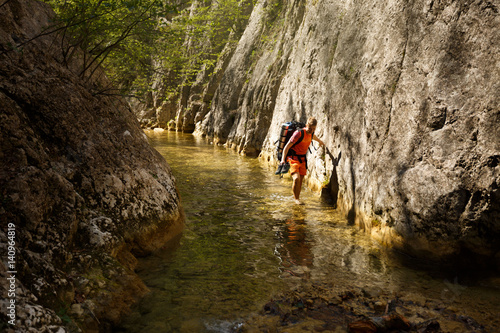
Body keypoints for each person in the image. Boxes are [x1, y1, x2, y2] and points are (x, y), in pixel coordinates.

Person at [280, 117, 325, 205]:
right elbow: (287, 146)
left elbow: (314, 137)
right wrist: (282, 160)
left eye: (314, 129)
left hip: (303, 160)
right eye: (310, 128)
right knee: (296, 179)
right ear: (306, 125)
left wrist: (321, 142)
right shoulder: (299, 133)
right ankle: (296, 199)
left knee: (300, 181)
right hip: (293, 158)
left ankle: (297, 198)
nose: (311, 130)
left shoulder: (311, 134)